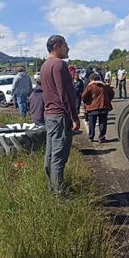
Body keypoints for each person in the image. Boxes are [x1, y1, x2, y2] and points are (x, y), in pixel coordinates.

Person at [40, 35, 80, 196]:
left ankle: (52, 188)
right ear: (56, 46)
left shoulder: (45, 65)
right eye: (65, 45)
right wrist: (74, 117)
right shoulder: (59, 65)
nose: (68, 48)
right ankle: (59, 195)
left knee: (50, 153)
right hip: (60, 116)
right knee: (59, 157)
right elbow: (64, 95)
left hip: (49, 115)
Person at [82, 73, 114, 143]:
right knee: (102, 123)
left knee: (91, 124)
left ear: (91, 79)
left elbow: (83, 96)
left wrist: (88, 102)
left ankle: (91, 137)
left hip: (92, 107)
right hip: (104, 107)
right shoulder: (105, 86)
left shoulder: (90, 86)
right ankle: (101, 138)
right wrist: (107, 100)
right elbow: (112, 94)